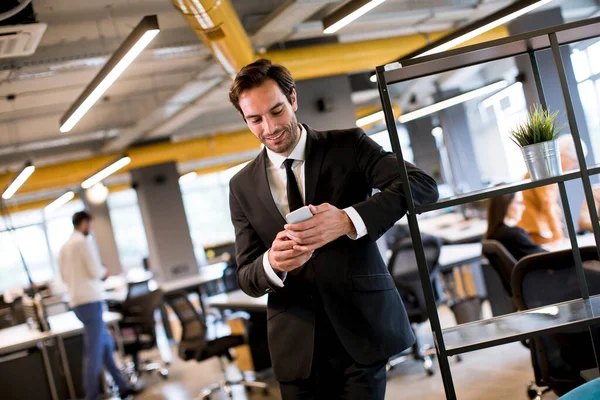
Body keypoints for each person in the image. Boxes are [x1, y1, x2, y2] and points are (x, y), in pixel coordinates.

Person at [227, 59, 439, 399]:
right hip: (295, 345)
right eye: (255, 119)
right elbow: (246, 276)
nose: (270, 127)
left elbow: (422, 184)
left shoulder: (348, 146)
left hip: (361, 330)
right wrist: (273, 263)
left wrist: (347, 220)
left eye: (277, 111)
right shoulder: (241, 186)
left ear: (293, 99)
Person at [58, 211, 141, 400]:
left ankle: (122, 386)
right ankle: (91, 396)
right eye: (91, 224)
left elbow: (63, 276)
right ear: (85, 223)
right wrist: (105, 272)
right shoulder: (83, 243)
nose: (92, 228)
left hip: (78, 303)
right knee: (94, 352)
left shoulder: (64, 247)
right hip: (90, 301)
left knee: (105, 346)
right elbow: (95, 271)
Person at [518, 135, 587, 244]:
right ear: (564, 155)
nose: (573, 166)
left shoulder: (546, 168)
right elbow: (548, 205)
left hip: (538, 229)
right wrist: (559, 236)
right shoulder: (546, 169)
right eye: (574, 161)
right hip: (536, 231)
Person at [485, 191, 545, 260]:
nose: (523, 207)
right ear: (507, 204)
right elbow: (545, 256)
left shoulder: (494, 234)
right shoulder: (514, 234)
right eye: (520, 203)